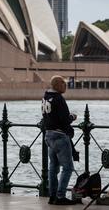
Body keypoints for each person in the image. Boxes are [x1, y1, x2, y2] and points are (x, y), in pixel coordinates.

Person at [42, 75, 78, 205]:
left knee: (53, 167)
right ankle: (60, 196)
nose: (65, 86)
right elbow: (64, 120)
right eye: (63, 84)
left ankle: (52, 196)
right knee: (68, 168)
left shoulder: (46, 97)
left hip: (49, 135)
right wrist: (72, 117)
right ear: (58, 85)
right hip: (59, 136)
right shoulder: (59, 99)